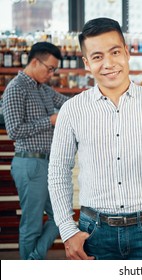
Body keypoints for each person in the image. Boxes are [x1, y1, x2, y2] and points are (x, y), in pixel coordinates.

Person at [47, 18, 142, 260]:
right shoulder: (72, 110)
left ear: (127, 53)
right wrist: (67, 230)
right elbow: (58, 171)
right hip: (94, 232)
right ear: (87, 63)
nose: (108, 64)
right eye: (97, 57)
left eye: (115, 52)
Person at [2, 42, 68, 260]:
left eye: (54, 70)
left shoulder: (43, 89)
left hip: (47, 164)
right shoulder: (15, 88)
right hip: (30, 164)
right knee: (31, 225)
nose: (51, 74)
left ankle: (32, 262)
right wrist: (50, 121)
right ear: (33, 62)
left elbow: (68, 104)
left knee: (61, 215)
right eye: (49, 68)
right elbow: (14, 131)